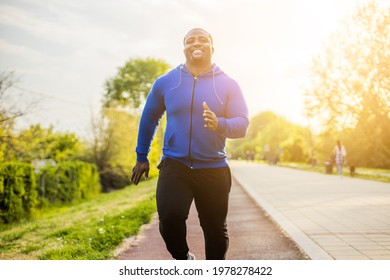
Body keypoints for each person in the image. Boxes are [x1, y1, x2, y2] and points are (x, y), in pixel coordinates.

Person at [131, 28, 249, 260]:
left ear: (212, 48)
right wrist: (141, 156)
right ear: (184, 48)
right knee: (169, 218)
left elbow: (242, 125)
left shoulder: (228, 84)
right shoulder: (166, 82)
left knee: (215, 230)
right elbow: (148, 118)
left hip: (213, 167)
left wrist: (220, 124)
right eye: (190, 40)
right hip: (176, 165)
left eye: (203, 39)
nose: (196, 43)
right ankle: (185, 259)